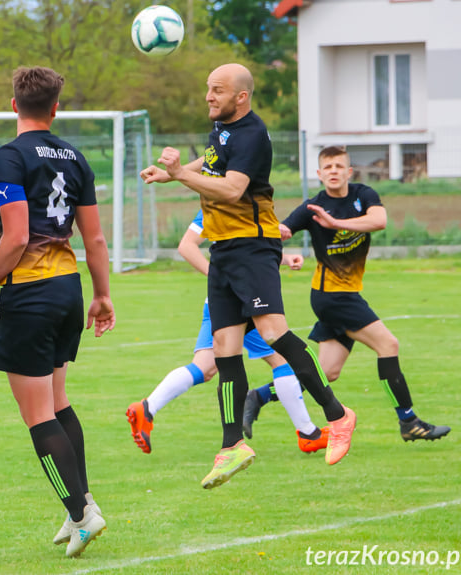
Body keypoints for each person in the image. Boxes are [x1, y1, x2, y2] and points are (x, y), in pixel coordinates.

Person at [141, 63, 356, 490]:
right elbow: (215, 158)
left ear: (241, 96)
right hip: (223, 249)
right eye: (208, 88)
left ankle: (337, 415)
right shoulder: (222, 128)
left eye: (217, 90)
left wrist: (182, 174)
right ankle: (232, 445)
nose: (208, 96)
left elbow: (234, 187)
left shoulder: (253, 134)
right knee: (224, 347)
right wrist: (175, 171)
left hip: (253, 247)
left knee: (275, 333)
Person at [0, 66, 115, 558]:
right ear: (55, 108)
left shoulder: (10, 157)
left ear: (14, 105)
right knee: (57, 402)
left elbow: (15, 236)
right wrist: (102, 294)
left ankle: (82, 515)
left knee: (37, 415)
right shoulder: (75, 157)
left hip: (30, 294)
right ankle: (81, 502)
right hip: (69, 289)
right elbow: (95, 238)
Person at [248, 145, 450, 442]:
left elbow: (379, 221)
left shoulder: (363, 195)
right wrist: (275, 246)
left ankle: (259, 396)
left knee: (327, 372)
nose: (333, 172)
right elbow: (281, 230)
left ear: (348, 172)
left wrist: (335, 223)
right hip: (332, 297)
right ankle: (408, 421)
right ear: (319, 174)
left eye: (339, 167)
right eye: (327, 167)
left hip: (344, 294)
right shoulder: (311, 207)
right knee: (388, 345)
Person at [127, 209, 330, 455]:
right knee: (283, 360)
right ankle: (309, 433)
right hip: (242, 303)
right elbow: (187, 246)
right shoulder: (225, 202)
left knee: (204, 366)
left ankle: (147, 408)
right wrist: (221, 279)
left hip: (223, 301)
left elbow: (248, 249)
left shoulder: (241, 201)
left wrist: (283, 258)